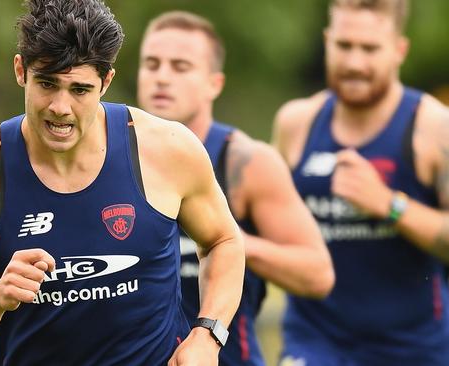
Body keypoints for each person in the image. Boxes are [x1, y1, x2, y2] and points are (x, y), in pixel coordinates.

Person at [0, 1, 245, 365]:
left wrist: (207, 334)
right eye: (47, 83)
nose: (60, 106)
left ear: (106, 82)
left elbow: (224, 241)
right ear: (20, 71)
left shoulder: (165, 149)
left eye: (79, 90)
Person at [272, 0, 449, 365]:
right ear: (327, 41)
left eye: (370, 49)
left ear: (399, 50)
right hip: (315, 341)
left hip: (412, 347)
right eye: (344, 46)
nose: (354, 63)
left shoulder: (438, 129)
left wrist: (389, 205)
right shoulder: (296, 123)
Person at [137, 11, 335, 366]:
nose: (162, 78)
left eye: (180, 67)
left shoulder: (243, 161)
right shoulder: (109, 153)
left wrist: (227, 243)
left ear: (215, 83)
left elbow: (317, 273)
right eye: (151, 64)